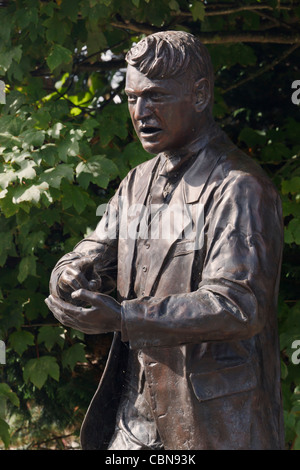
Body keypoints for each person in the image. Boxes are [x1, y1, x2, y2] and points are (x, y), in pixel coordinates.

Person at [45, 31, 285, 450]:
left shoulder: (240, 188)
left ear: (199, 94)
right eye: (132, 98)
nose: (140, 112)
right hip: (130, 424)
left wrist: (123, 318)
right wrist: (69, 275)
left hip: (208, 425)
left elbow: (237, 305)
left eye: (154, 96)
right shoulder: (136, 182)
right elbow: (94, 250)